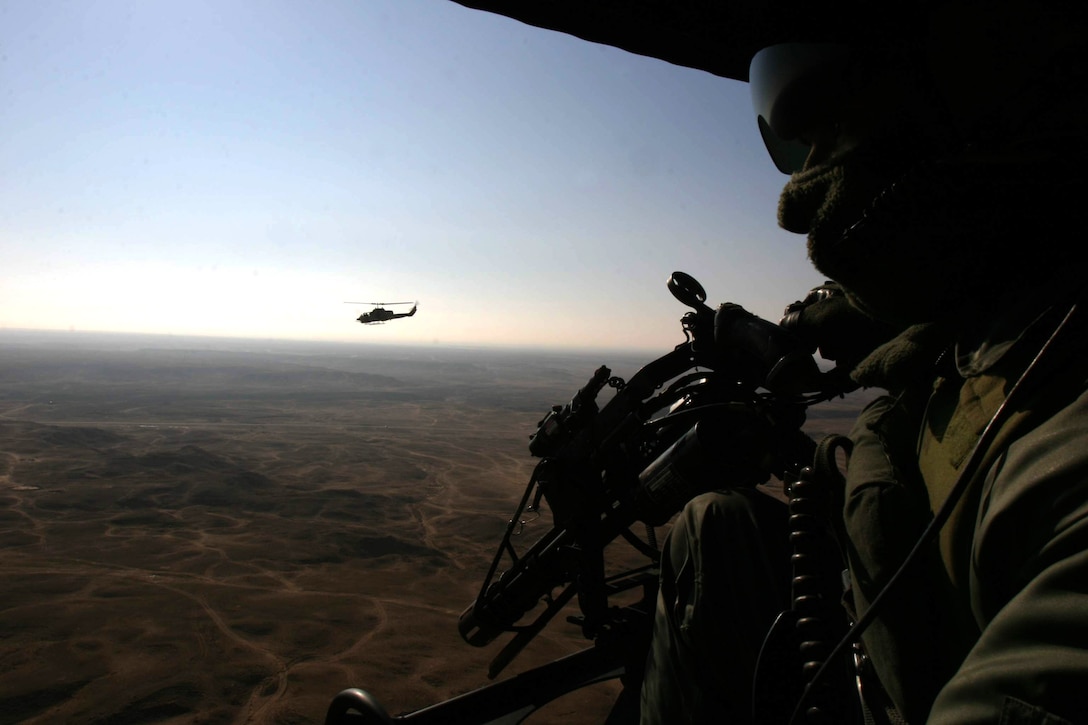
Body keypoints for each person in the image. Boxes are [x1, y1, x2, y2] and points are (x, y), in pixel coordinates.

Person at [641, 2, 1088, 723]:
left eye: (827, 115)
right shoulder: (991, 305)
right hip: (886, 624)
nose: (798, 196)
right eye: (795, 140)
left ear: (980, 84)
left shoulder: (1063, 450)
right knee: (712, 528)